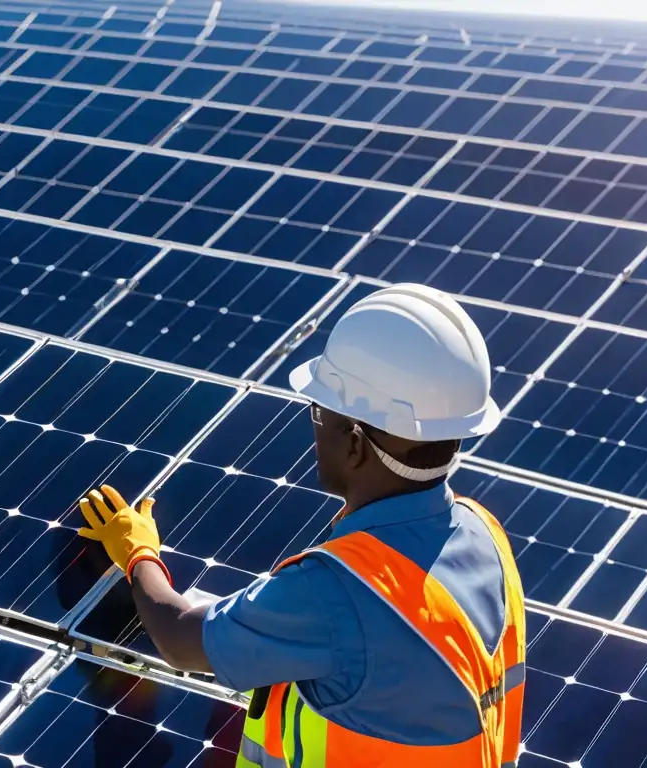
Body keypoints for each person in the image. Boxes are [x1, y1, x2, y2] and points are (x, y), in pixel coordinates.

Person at [77, 284, 526, 768]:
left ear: (355, 444)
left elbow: (182, 639)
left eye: (320, 411)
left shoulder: (335, 592)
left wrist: (139, 554)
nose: (313, 424)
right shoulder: (485, 532)